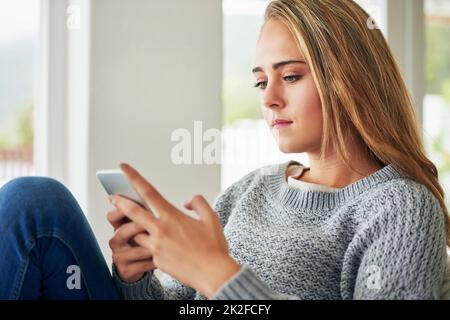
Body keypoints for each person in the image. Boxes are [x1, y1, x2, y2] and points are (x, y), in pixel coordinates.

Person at [0, 0, 448, 300]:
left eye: (290, 76)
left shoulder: (399, 209)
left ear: (350, 77)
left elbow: (218, 287)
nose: (269, 97)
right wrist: (137, 277)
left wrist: (220, 276)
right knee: (34, 202)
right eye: (260, 81)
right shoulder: (250, 190)